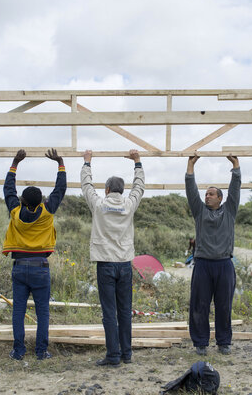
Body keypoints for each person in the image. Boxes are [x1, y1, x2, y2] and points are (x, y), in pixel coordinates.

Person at [81, 149, 145, 366]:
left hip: (106, 265)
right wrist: (137, 162)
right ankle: (126, 354)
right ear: (122, 190)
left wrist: (87, 163)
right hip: (125, 265)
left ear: (107, 189)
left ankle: (113, 356)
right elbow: (139, 187)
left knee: (110, 312)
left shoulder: (99, 205)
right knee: (125, 311)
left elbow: (86, 186)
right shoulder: (129, 205)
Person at [2, 148, 66, 361]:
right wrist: (60, 163)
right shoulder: (47, 211)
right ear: (41, 201)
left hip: (20, 267)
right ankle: (41, 352)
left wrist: (15, 163)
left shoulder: (15, 211)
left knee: (18, 311)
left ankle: (19, 351)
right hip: (40, 268)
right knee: (43, 313)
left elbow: (8, 190)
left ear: (21, 201)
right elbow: (60, 189)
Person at [185, 154, 240, 356]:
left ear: (220, 198)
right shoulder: (200, 211)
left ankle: (224, 342)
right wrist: (190, 165)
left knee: (224, 305)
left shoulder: (230, 211)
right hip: (203, 265)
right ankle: (200, 342)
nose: (207, 196)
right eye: (206, 194)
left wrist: (235, 166)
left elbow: (235, 190)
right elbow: (191, 191)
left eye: (211, 194)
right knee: (199, 305)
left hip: (224, 264)